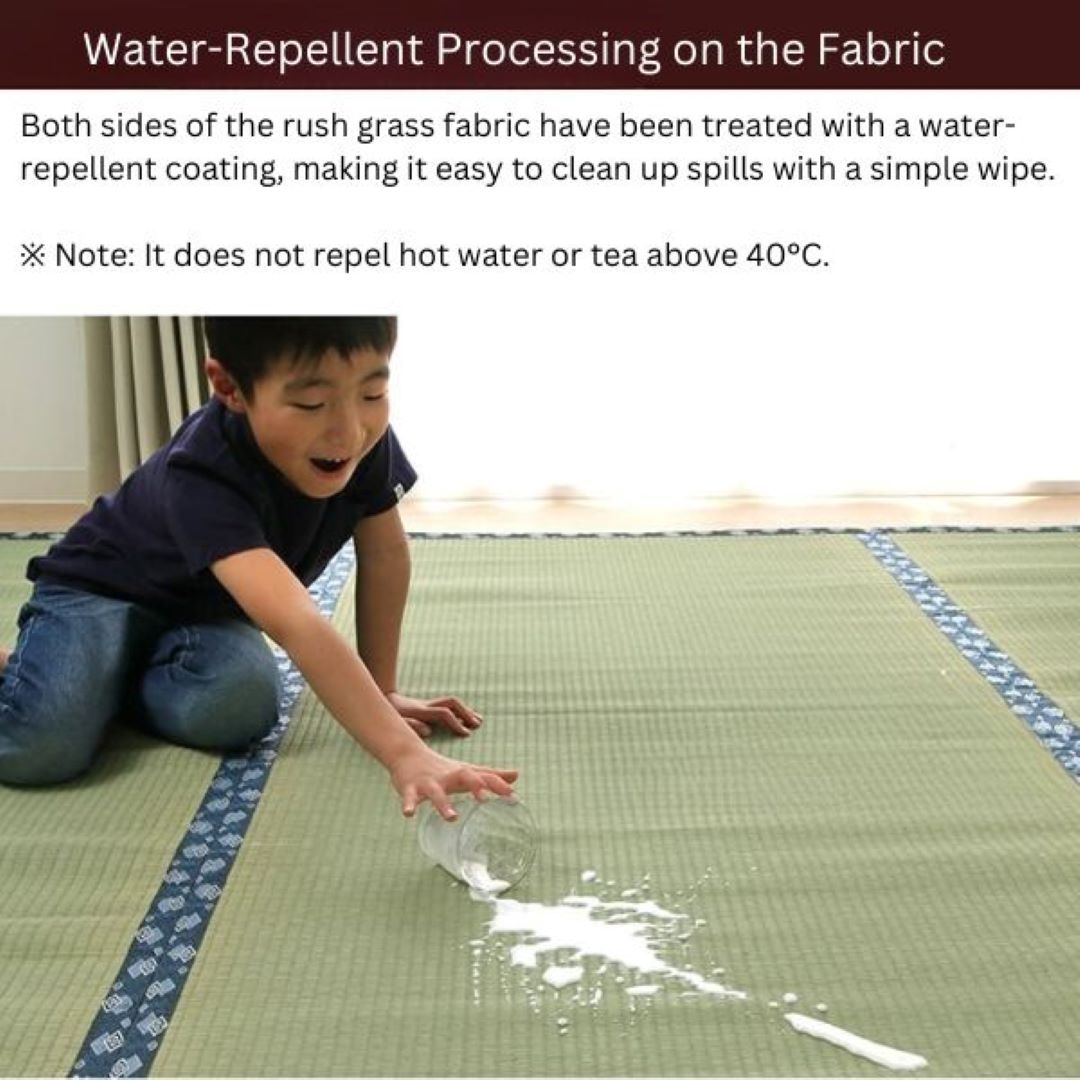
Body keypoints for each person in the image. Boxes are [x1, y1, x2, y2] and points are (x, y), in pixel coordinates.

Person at [0, 316, 517, 819]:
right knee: (42, 751)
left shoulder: (363, 440)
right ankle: (41, 672)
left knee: (241, 710)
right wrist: (404, 753)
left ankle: (95, 683)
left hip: (200, 616)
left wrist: (383, 693)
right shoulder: (201, 471)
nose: (349, 430)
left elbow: (383, 554)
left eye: (372, 393)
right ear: (230, 386)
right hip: (100, 591)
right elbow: (297, 621)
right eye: (311, 402)